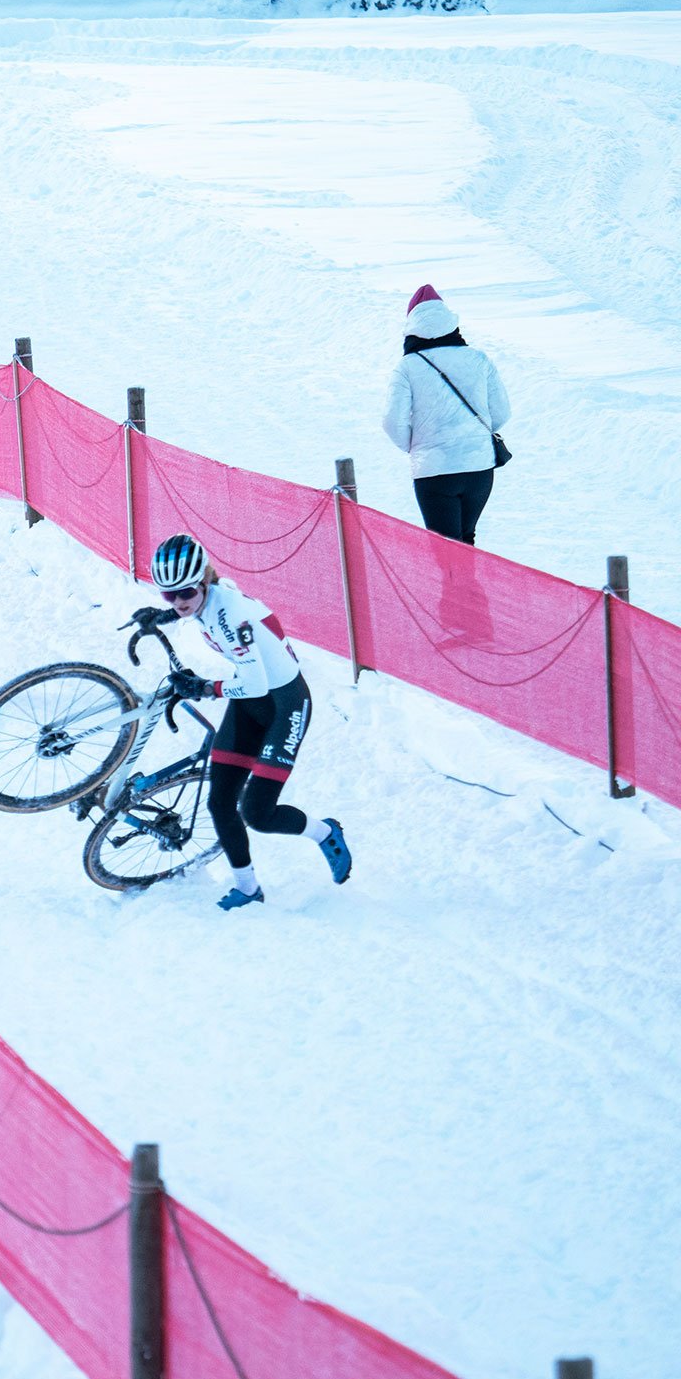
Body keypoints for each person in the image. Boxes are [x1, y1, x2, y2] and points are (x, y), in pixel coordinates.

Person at [149, 533, 352, 910]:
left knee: (257, 813)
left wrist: (206, 688)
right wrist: (164, 615)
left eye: (185, 594)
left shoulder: (230, 614)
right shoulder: (211, 595)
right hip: (251, 702)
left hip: (285, 706)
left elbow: (255, 681)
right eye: (168, 595)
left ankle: (325, 832)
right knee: (220, 802)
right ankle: (247, 888)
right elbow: (206, 608)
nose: (178, 602)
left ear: (204, 581)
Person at [382, 283, 510, 546]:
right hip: (479, 469)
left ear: (412, 325)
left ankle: (456, 589)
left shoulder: (407, 366)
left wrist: (416, 445)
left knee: (445, 552)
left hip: (434, 471)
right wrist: (474, 435)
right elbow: (502, 412)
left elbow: (391, 422)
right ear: (450, 322)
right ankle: (466, 589)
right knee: (466, 542)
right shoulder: (478, 359)